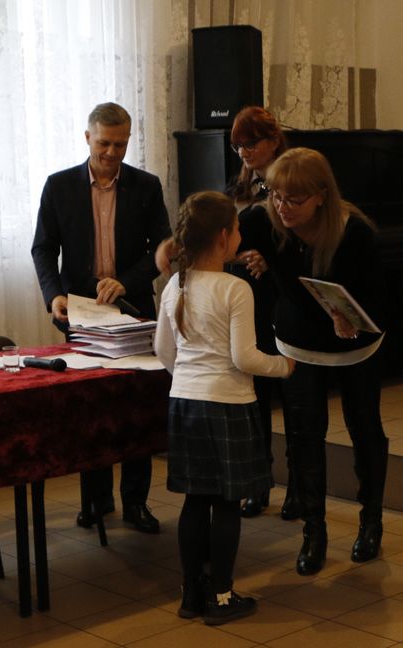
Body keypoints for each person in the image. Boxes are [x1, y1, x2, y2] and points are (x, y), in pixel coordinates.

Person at [153, 191, 294, 625]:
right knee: (228, 505)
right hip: (228, 405)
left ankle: (191, 594)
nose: (240, 236)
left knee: (195, 501)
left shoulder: (175, 285)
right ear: (222, 237)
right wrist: (283, 366)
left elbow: (163, 351)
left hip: (185, 403)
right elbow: (244, 358)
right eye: (236, 229)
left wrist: (190, 377)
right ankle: (222, 596)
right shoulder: (236, 288)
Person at [31, 101, 170, 534]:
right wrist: (54, 296)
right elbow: (43, 248)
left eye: (121, 144)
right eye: (105, 143)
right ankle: (95, 500)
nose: (112, 152)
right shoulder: (59, 186)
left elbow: (163, 248)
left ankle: (136, 502)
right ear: (87, 137)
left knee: (135, 410)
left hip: (133, 310)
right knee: (91, 409)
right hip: (82, 312)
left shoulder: (146, 186)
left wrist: (126, 282)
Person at [250, 147, 389, 575]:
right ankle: (314, 531)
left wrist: (349, 317)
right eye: (275, 195)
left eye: (294, 199)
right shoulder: (267, 220)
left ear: (321, 196)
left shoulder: (355, 233)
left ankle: (371, 522)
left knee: (364, 430)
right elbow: (221, 233)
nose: (282, 207)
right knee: (304, 436)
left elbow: (379, 298)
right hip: (298, 343)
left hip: (355, 344)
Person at [158, 106, 300, 521]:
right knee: (255, 398)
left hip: (272, 294)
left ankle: (296, 487)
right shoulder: (240, 184)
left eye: (251, 144)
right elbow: (223, 243)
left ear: (273, 140)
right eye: (238, 146)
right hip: (236, 291)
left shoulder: (287, 181)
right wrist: (240, 257)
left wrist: (267, 259)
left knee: (283, 400)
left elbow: (290, 245)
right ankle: (257, 483)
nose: (244, 152)